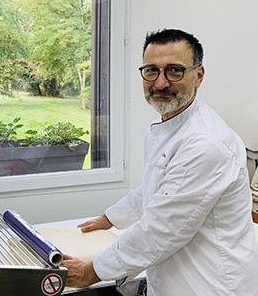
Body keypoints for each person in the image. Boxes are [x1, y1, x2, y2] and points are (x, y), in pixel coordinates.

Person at [62, 29, 258, 295]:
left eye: (175, 71)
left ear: (198, 75)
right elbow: (154, 188)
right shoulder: (168, 125)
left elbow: (160, 229)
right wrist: (110, 218)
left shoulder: (206, 144)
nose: (161, 83)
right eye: (152, 71)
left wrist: (89, 273)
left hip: (210, 284)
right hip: (172, 279)